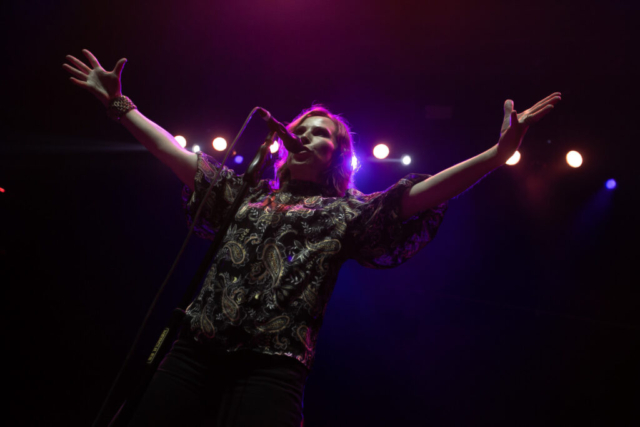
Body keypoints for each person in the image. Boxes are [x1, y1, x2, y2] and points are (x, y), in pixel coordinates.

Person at [63, 49, 561, 426]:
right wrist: (120, 104)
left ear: (337, 156)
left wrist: (496, 156)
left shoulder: (348, 211)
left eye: (320, 133)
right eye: (301, 128)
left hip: (271, 369)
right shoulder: (242, 194)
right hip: (194, 351)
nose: (305, 134)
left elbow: (420, 195)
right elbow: (171, 152)